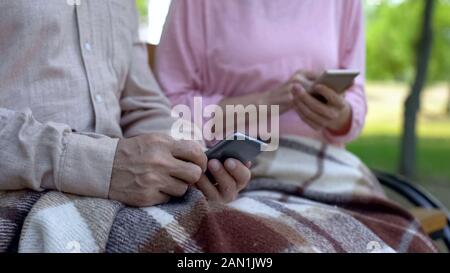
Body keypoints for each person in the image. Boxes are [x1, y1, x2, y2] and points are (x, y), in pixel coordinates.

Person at [0, 0, 251, 207]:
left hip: (119, 200)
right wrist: (103, 166)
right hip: (21, 195)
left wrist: (190, 161)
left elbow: (144, 106)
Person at [155, 0, 367, 145]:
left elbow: (355, 99)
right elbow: (169, 110)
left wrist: (339, 115)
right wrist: (267, 102)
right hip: (228, 168)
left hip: (321, 164)